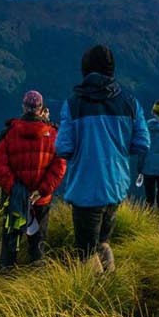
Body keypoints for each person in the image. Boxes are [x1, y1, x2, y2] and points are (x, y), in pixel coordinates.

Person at [55, 44, 149, 274]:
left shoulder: (73, 104)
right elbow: (142, 143)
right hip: (116, 187)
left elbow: (63, 148)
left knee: (85, 251)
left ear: (85, 69)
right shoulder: (130, 102)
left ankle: (97, 299)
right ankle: (112, 284)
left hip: (86, 189)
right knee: (103, 241)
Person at [0, 91, 65, 271]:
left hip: (15, 197)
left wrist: (15, 189)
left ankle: (7, 270)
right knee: (38, 236)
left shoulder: (9, 133)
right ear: (41, 109)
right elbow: (60, 165)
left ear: (23, 107)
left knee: (11, 233)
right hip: (41, 198)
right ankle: (37, 274)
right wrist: (42, 189)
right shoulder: (54, 134)